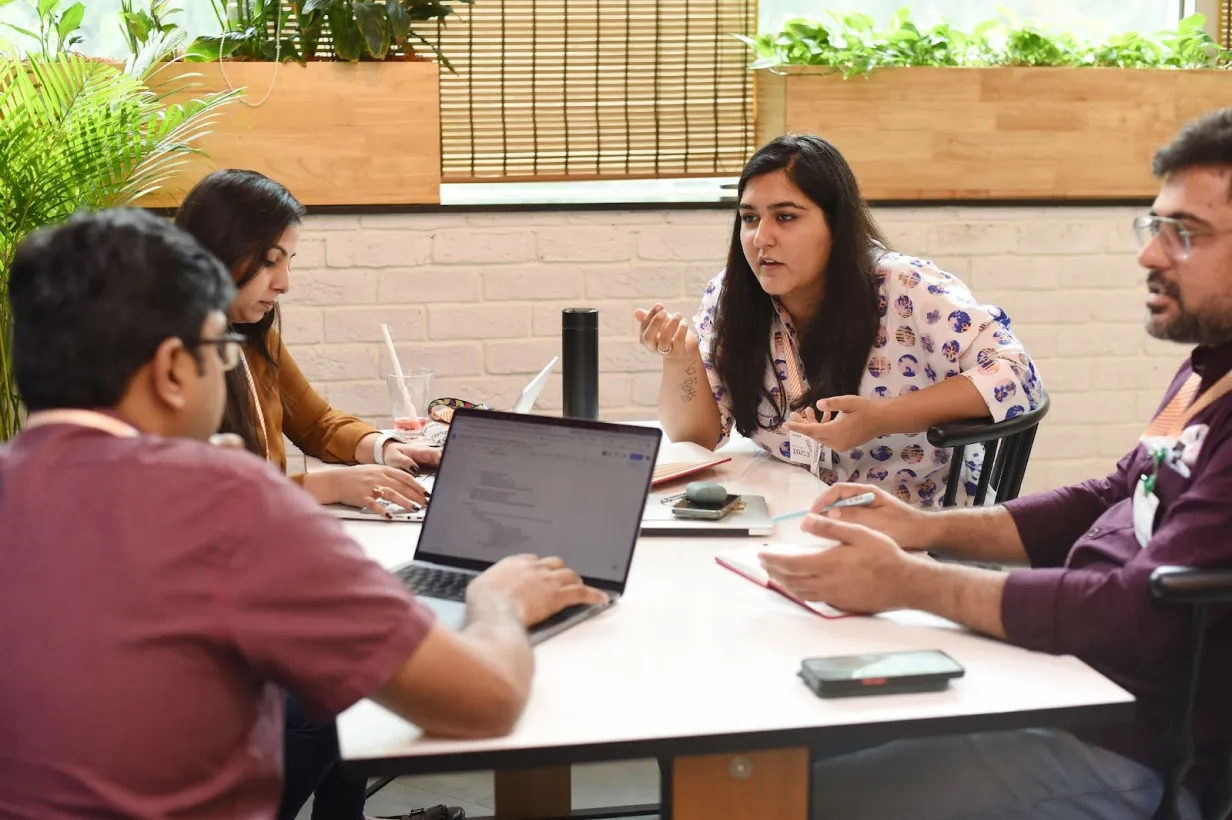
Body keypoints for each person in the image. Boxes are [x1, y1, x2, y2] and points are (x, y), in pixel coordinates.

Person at [0, 208, 607, 819]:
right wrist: (497, 600)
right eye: (220, 348)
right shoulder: (224, 500)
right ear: (173, 369)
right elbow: (487, 699)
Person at [758, 108, 1232, 819]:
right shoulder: (1206, 374)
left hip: (1131, 745)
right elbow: (1113, 493)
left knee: (782, 797)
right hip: (1062, 680)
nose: (1151, 255)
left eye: (1185, 234)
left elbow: (1142, 612)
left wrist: (909, 581)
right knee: (784, 746)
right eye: (1153, 225)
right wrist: (925, 529)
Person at [634, 135, 1042, 507]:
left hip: (919, 518)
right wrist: (681, 359)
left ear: (836, 223)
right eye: (750, 218)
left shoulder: (907, 286)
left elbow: (1015, 372)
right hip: (792, 510)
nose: (760, 239)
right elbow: (697, 438)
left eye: (786, 217)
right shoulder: (731, 297)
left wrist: (881, 419)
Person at [175, 168, 433, 519]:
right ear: (216, 253)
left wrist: (385, 448)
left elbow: (316, 424)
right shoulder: (174, 362)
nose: (284, 284)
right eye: (269, 261)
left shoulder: (256, 337)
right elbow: (204, 501)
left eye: (288, 263)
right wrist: (327, 486)